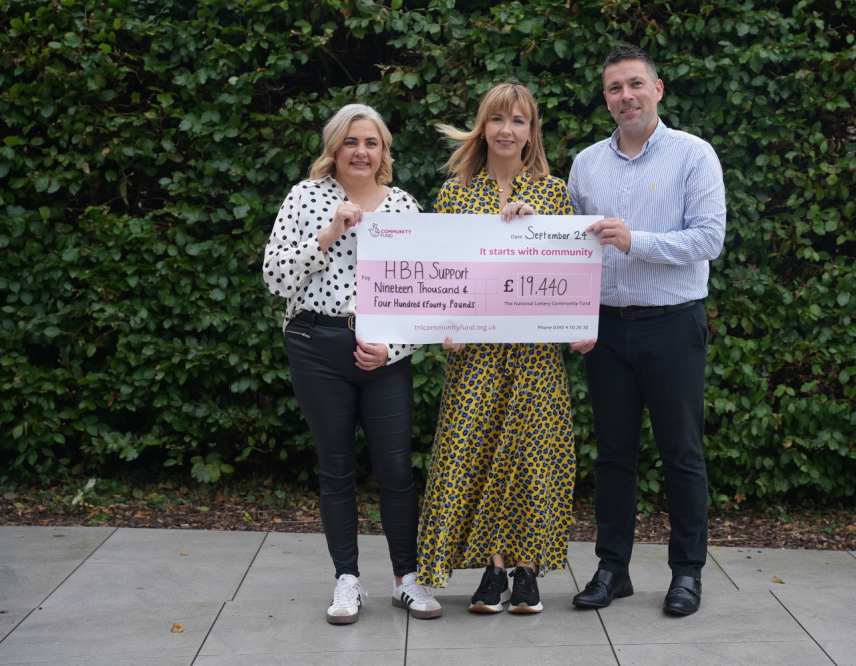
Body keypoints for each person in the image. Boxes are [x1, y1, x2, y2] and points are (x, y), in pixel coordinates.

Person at [262, 104, 441, 625]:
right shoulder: (304, 198)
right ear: (334, 149)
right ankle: (347, 581)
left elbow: (425, 295)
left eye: (371, 143)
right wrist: (327, 235)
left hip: (384, 354)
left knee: (396, 471)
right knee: (335, 468)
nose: (361, 152)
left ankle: (406, 579)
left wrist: (395, 347)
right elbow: (276, 278)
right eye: (350, 142)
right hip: (316, 344)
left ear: (384, 152)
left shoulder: (405, 207)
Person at [567, 44, 727, 616]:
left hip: (673, 325)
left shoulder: (693, 155)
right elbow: (566, 248)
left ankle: (687, 572)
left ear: (658, 89)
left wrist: (639, 241)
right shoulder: (586, 164)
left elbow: (709, 238)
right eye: (614, 88)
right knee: (613, 456)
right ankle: (613, 569)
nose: (625, 96)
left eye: (635, 84)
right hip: (607, 330)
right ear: (605, 98)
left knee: (681, 453)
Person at [416, 81, 576, 615]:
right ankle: (494, 566)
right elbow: (442, 276)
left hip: (534, 353)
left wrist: (537, 232)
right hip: (476, 352)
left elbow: (570, 274)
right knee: (476, 450)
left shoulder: (554, 196)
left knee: (535, 456)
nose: (508, 130)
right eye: (498, 119)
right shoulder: (455, 196)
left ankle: (527, 571)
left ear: (532, 133)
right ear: (483, 127)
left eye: (520, 121)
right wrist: (443, 323)